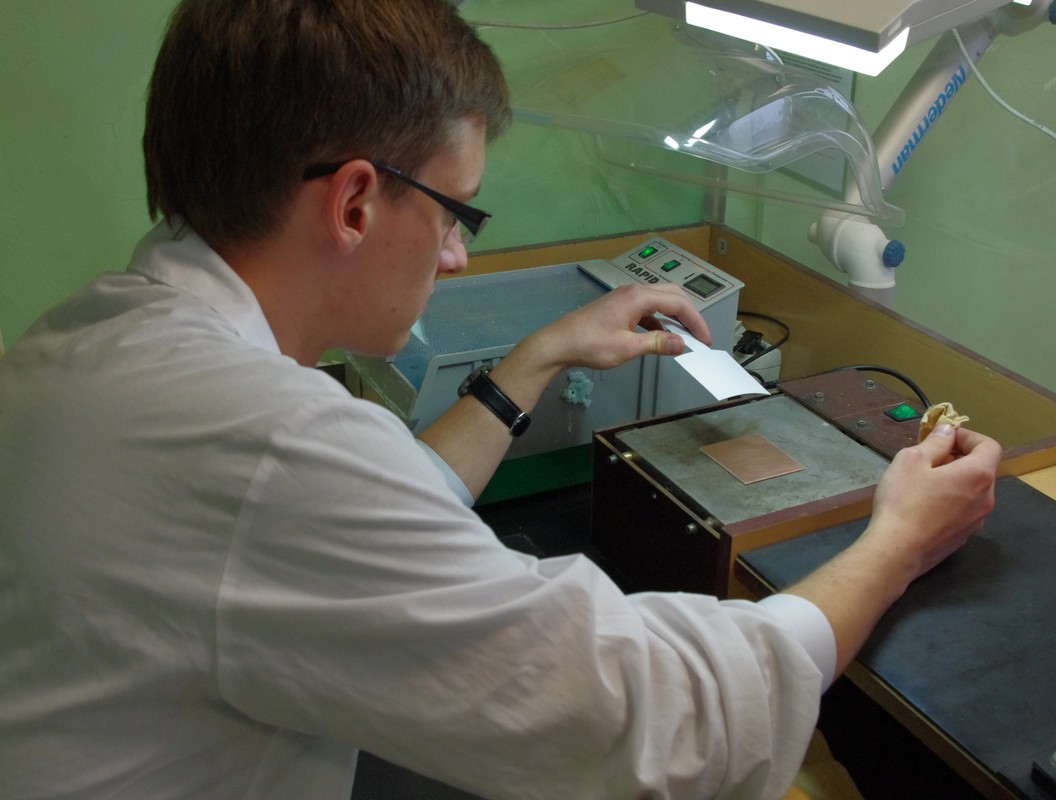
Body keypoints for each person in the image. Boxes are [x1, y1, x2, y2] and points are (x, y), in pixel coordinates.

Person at [0, 1, 1003, 798]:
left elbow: (365, 520)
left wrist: (539, 357)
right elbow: (665, 722)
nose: (455, 255)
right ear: (354, 202)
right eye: (456, 212)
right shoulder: (270, 446)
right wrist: (897, 541)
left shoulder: (94, 341)